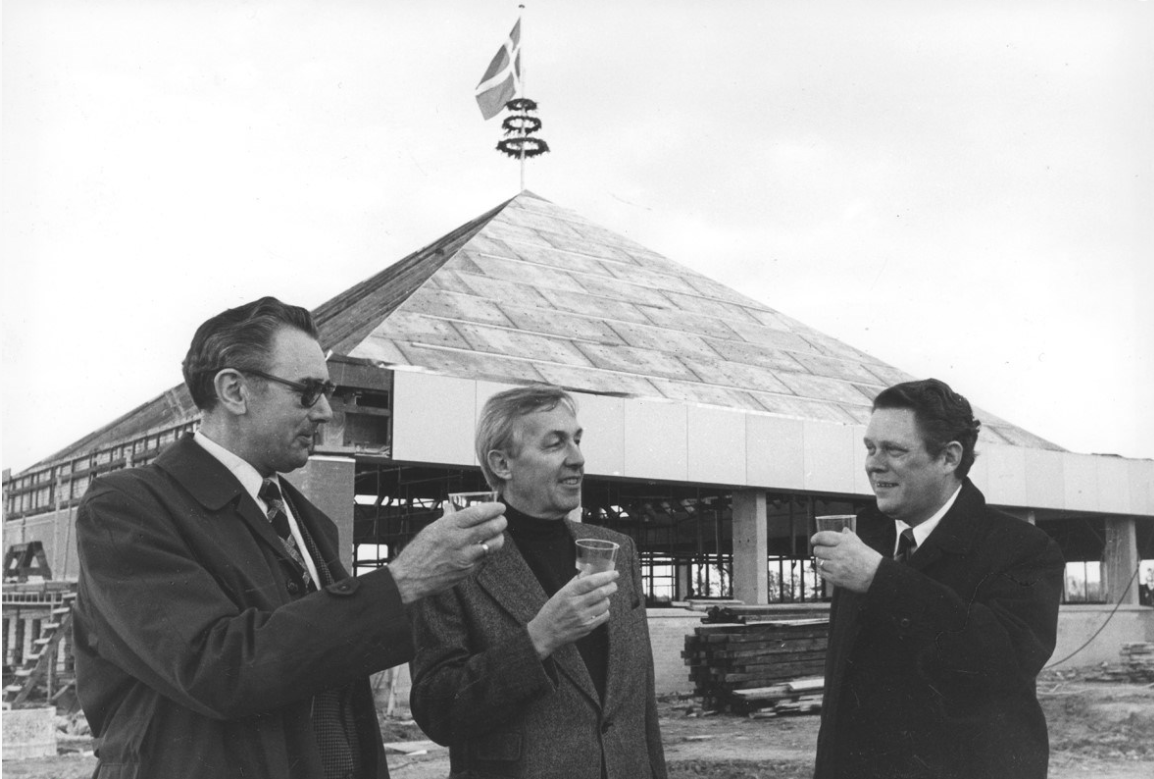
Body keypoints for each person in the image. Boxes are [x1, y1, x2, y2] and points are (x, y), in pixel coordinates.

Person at [72, 297, 507, 779]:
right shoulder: (128, 508)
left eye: (328, 391)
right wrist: (401, 582)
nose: (325, 412)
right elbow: (216, 670)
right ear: (234, 391)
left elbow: (332, 672)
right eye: (307, 391)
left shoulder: (311, 521)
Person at [408, 385, 667, 779]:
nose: (578, 459)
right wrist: (538, 639)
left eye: (577, 440)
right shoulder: (457, 559)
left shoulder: (617, 549)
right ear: (502, 464)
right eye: (555, 444)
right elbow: (438, 712)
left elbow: (641, 706)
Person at [811, 378, 1064, 779]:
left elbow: (1002, 665)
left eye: (894, 450)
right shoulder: (866, 540)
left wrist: (883, 580)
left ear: (948, 458)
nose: (874, 464)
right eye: (870, 448)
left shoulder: (1024, 549)